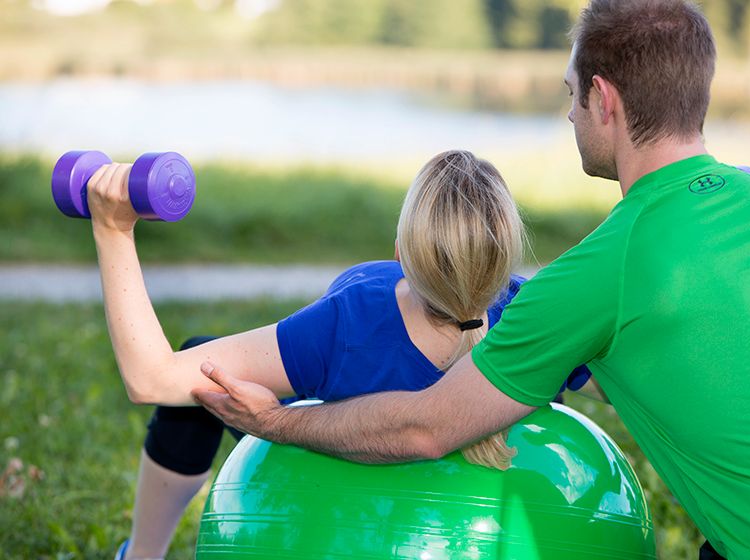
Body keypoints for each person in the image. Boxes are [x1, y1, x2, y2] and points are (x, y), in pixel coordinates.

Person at [193, 1, 750, 559]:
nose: (568, 116)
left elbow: (426, 428)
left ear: (604, 100)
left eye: (570, 95)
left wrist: (274, 423)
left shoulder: (595, 275)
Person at [86, 149, 579, 560]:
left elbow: (151, 377)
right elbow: (613, 380)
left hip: (343, 474)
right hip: (487, 517)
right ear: (504, 258)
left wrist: (114, 229)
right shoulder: (531, 313)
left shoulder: (351, 319)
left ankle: (141, 556)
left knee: (198, 373)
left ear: (401, 252)